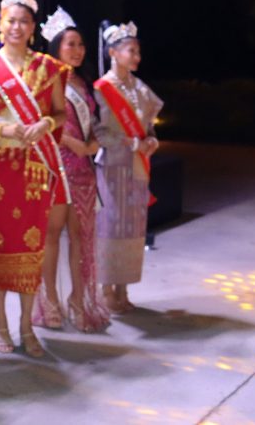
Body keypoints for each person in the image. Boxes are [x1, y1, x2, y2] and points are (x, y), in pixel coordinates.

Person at [0, 0, 69, 358]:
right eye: (11, 20)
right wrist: (0, 128)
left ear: (33, 27)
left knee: (32, 245)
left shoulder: (49, 67)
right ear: (1, 23)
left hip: (36, 165)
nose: (17, 27)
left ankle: (27, 326)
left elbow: (60, 112)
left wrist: (47, 124)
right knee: (0, 243)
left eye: (24, 21)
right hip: (0, 164)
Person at [32, 7, 110, 332]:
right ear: (56, 47)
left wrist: (93, 144)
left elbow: (95, 124)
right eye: (70, 44)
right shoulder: (45, 81)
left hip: (83, 169)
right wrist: (71, 143)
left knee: (81, 237)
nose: (77, 50)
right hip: (55, 165)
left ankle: (79, 299)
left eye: (80, 45)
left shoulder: (83, 82)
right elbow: (41, 121)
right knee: (51, 235)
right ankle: (50, 300)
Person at [94, 21, 163, 313]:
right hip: (112, 165)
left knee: (132, 229)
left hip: (137, 167)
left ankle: (123, 287)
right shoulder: (101, 89)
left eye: (137, 51)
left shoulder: (140, 89)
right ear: (113, 52)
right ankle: (105, 289)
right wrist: (131, 143)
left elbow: (149, 126)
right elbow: (98, 131)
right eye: (130, 51)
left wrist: (152, 140)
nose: (137, 57)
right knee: (110, 226)